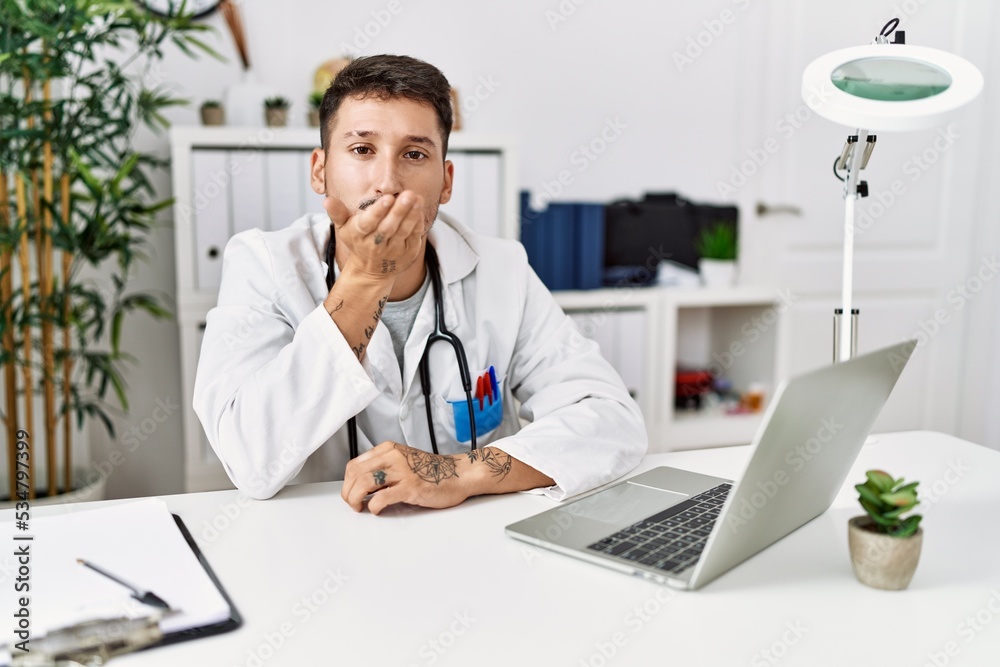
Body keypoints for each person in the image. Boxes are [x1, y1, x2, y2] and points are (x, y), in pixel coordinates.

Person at [193, 54, 647, 515]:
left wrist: (456, 473)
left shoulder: (502, 268)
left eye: (414, 154)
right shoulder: (264, 264)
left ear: (445, 181)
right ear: (320, 170)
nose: (387, 182)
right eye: (361, 150)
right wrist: (368, 279)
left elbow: (612, 420)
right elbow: (248, 459)